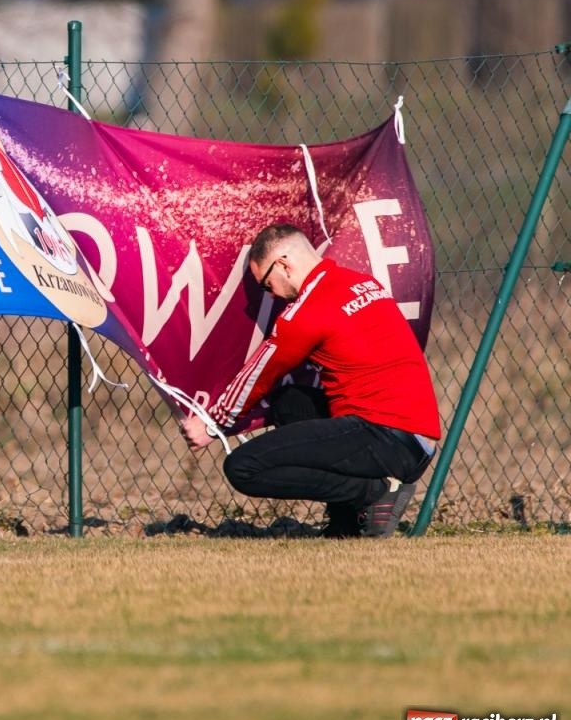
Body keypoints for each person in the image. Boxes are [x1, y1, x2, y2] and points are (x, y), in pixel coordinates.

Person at [181, 223, 440, 537]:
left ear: (284, 266)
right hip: (415, 440)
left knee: (242, 468)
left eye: (266, 284)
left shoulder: (307, 311)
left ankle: (373, 492)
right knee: (290, 403)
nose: (270, 294)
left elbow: (259, 375)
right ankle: (346, 526)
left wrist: (211, 425)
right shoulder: (360, 282)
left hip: (382, 435)